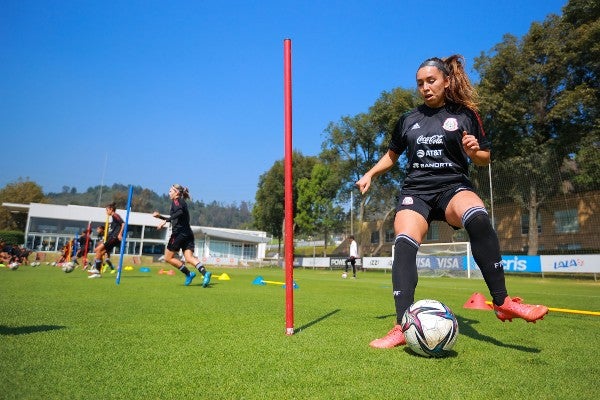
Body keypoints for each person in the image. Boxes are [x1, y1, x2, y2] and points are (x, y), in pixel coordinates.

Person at [355, 55, 549, 349]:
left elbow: (485, 157)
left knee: (478, 215)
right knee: (404, 242)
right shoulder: (408, 120)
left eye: (431, 81)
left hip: (452, 187)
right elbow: (393, 155)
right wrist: (370, 173)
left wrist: (474, 152)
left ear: (446, 81)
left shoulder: (466, 114)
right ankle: (401, 325)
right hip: (416, 192)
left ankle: (503, 301)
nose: (425, 87)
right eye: (420, 83)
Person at [153, 184, 212, 287]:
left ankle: (189, 274)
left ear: (176, 193)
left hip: (178, 234)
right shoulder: (181, 201)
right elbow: (176, 216)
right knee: (189, 258)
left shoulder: (176, 201)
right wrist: (161, 218)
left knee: (167, 258)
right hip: (188, 233)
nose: (169, 193)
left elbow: (179, 212)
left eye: (171, 191)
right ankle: (205, 273)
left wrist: (164, 220)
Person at [89, 202, 123, 279]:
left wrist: (120, 234)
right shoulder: (113, 218)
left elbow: (123, 223)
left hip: (114, 238)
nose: (106, 212)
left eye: (107, 210)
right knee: (99, 252)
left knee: (98, 250)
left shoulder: (115, 215)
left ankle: (97, 270)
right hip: (111, 238)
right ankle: (97, 271)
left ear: (111, 209)